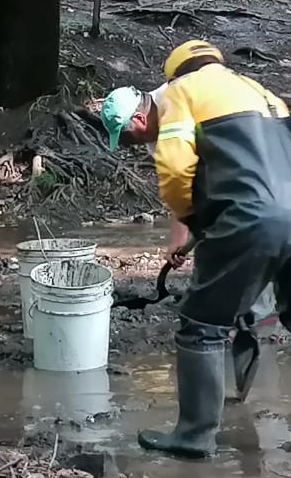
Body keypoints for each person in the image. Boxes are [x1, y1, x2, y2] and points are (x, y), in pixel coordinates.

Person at [110, 39, 291, 458]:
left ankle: (193, 436)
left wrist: (192, 217)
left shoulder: (181, 93)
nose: (135, 143)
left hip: (258, 216)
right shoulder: (260, 92)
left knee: (201, 323)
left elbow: (174, 168)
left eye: (130, 137)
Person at [100, 79, 278, 333]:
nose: (129, 145)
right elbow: (183, 187)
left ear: (139, 119)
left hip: (262, 150)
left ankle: (259, 329)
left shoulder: (180, 101)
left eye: (127, 138)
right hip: (236, 166)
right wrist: (179, 239)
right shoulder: (157, 135)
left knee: (247, 237)